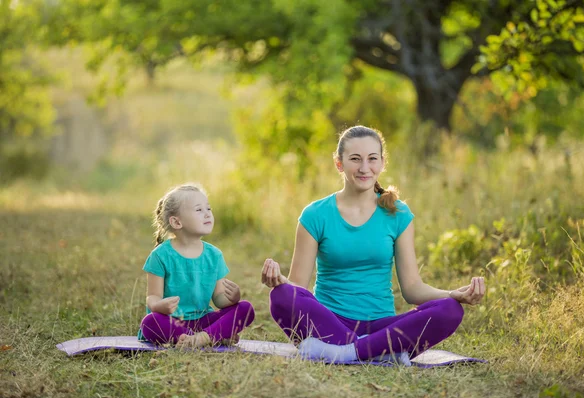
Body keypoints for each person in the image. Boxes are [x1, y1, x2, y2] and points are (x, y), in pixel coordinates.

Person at [261, 125, 485, 363]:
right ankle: (376, 352)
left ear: (382, 163)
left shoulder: (398, 213)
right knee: (282, 296)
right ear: (339, 163)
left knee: (449, 310)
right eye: (355, 159)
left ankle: (346, 352)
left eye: (372, 159)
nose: (364, 168)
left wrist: (452, 294)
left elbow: (412, 289)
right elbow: (299, 289)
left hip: (381, 326)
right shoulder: (315, 214)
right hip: (329, 321)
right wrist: (279, 282)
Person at [138, 183, 255, 348]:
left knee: (245, 308)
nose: (207, 214)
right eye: (199, 210)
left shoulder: (214, 255)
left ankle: (201, 339)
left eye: (209, 208)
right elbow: (152, 297)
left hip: (204, 322)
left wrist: (232, 298)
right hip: (174, 323)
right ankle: (214, 335)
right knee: (150, 322)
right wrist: (159, 306)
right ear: (177, 222)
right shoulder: (160, 256)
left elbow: (219, 299)